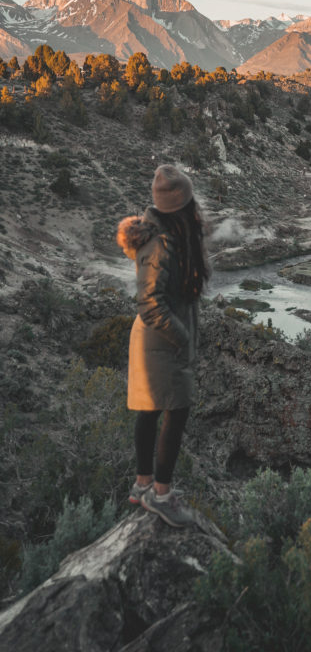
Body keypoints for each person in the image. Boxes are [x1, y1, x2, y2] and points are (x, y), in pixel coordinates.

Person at [117, 164, 209, 527]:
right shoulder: (161, 244)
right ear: (180, 206)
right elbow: (151, 304)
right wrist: (183, 338)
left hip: (155, 338)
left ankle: (142, 487)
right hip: (161, 340)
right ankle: (162, 495)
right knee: (177, 410)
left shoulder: (165, 236)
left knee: (151, 410)